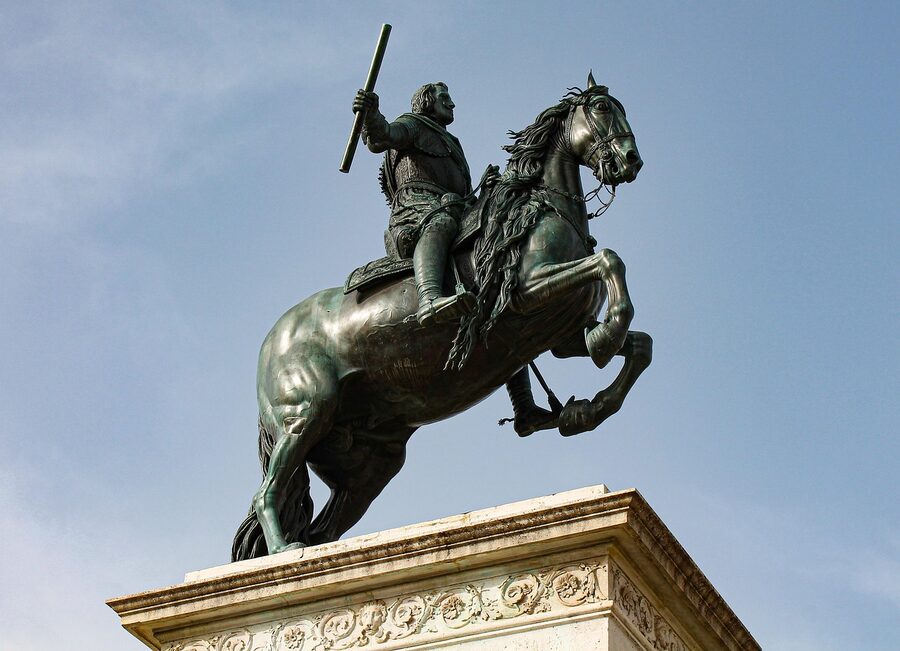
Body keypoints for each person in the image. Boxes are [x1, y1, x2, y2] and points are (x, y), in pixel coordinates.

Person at [353, 82, 482, 326]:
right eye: (444, 98)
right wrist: (371, 113)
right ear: (427, 101)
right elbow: (384, 136)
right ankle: (429, 299)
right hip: (416, 209)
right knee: (440, 223)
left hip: (450, 206)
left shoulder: (451, 141)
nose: (451, 103)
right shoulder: (413, 124)